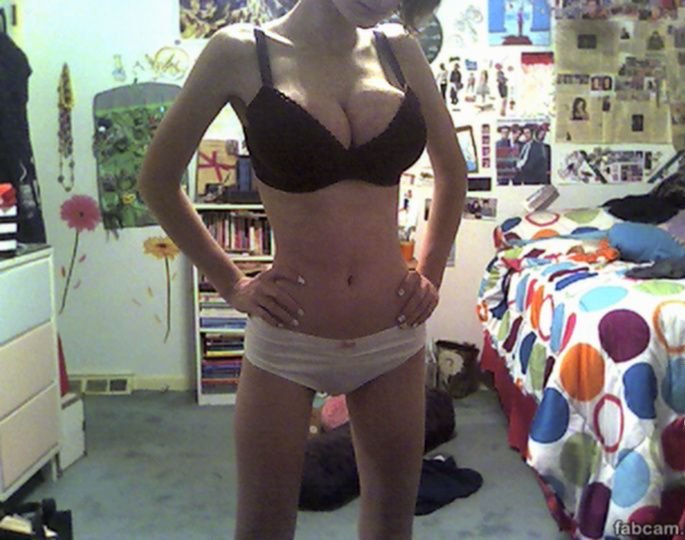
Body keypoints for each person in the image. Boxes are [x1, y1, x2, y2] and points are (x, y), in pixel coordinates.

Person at [137, 1, 466, 539]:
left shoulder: (400, 52)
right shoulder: (239, 52)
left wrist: (430, 274)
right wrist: (231, 283)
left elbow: (452, 172)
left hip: (393, 334)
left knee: (391, 524)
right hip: (288, 340)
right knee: (263, 527)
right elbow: (157, 179)